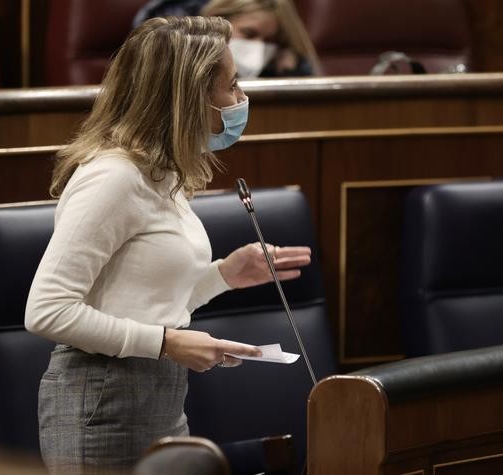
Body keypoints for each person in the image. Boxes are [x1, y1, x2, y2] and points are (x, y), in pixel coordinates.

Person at [24, 15, 312, 474]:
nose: (241, 100)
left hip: (157, 394)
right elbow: (47, 309)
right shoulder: (113, 177)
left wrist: (224, 275)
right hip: (102, 400)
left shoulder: (162, 175)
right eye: (232, 86)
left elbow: (141, 301)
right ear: (188, 94)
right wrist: (167, 343)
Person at [133, 0, 321, 78]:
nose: (259, 46)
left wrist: (291, 73)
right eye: (249, 33)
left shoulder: (281, 62)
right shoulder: (174, 46)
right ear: (216, 22)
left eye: (270, 40)